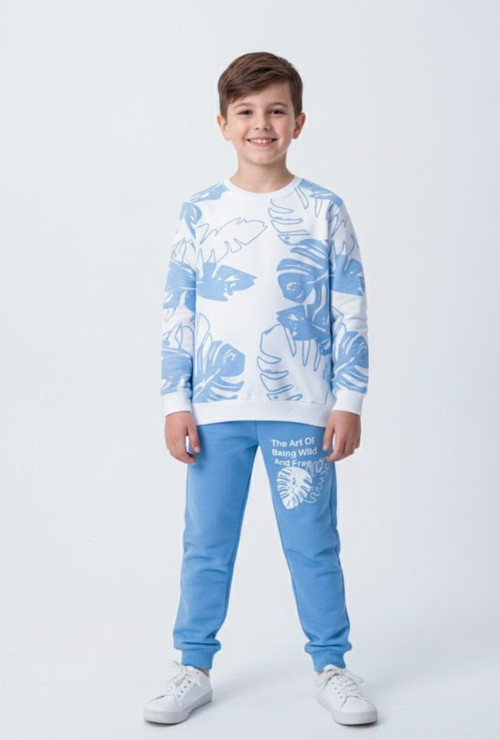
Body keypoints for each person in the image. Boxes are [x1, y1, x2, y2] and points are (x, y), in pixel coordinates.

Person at [143, 51, 378, 727]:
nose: (261, 124)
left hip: (302, 411)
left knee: (313, 542)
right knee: (207, 543)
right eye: (246, 111)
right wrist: (176, 403)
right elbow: (178, 310)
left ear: (298, 122)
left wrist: (347, 402)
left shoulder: (324, 209)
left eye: (276, 110)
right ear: (223, 124)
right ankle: (193, 666)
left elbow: (350, 310)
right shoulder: (200, 211)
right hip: (214, 411)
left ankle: (332, 665)